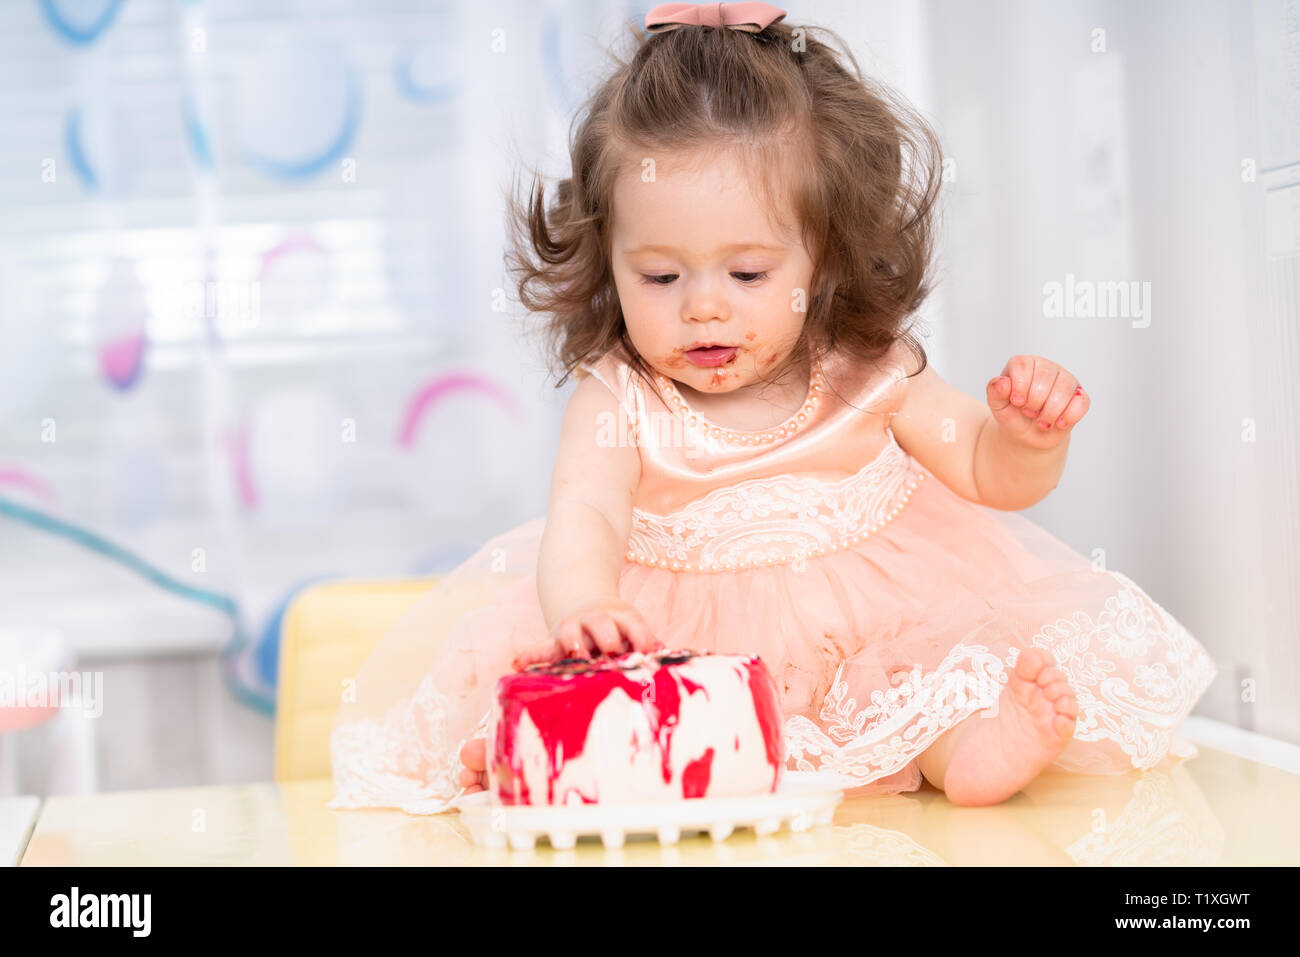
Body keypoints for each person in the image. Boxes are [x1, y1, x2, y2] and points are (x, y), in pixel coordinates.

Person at [328, 1, 1217, 813]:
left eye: (748, 274)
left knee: (934, 677)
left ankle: (968, 749)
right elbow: (585, 514)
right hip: (692, 662)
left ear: (822, 261)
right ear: (610, 262)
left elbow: (985, 468)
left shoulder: (867, 373)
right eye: (661, 275)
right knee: (610, 731)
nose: (703, 306)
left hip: (872, 638)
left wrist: (1027, 438)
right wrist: (584, 612)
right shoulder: (618, 397)